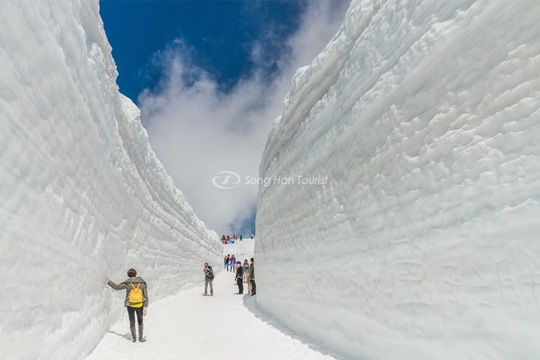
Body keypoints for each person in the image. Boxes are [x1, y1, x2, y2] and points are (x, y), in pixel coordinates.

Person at [106, 268, 148, 342]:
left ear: (128, 275)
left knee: (132, 321)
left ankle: (134, 338)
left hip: (130, 305)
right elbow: (146, 295)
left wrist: (109, 282)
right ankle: (140, 338)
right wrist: (145, 306)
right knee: (140, 321)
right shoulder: (142, 283)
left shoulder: (127, 283)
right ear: (135, 274)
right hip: (139, 305)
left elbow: (117, 287)